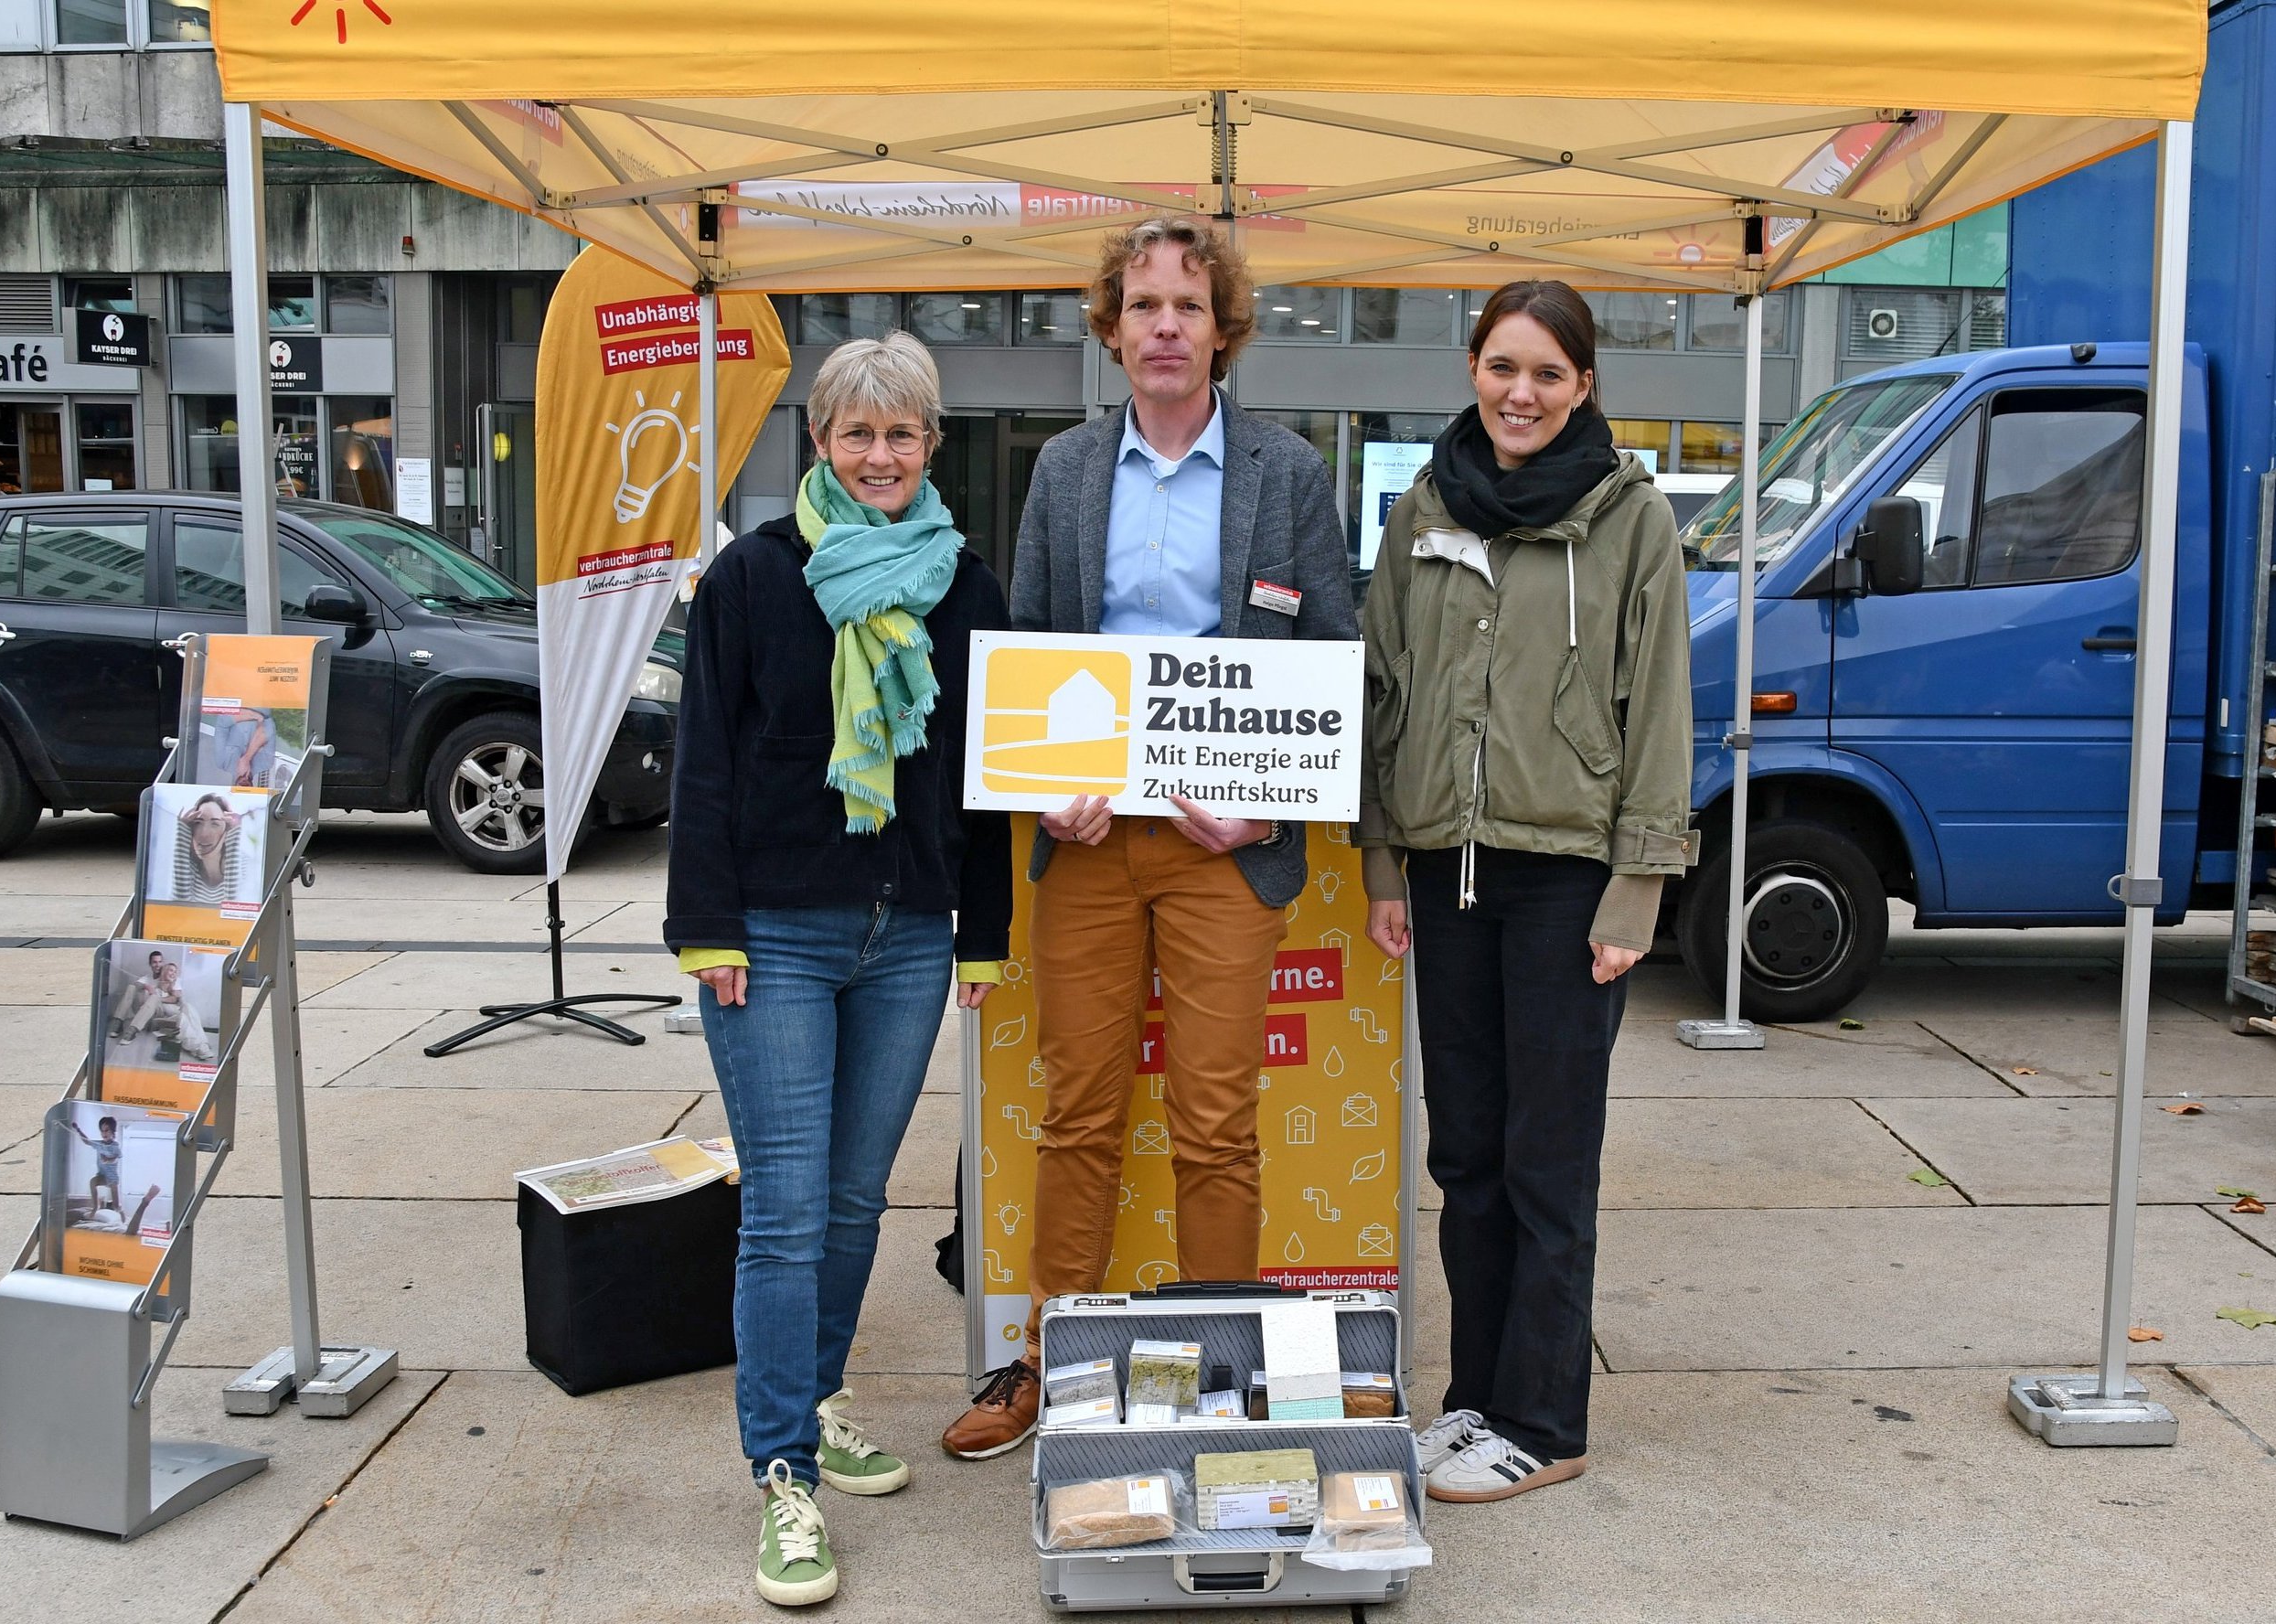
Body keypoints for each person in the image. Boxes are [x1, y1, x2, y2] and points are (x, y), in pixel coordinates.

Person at [940, 214, 1357, 1461]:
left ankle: (1222, 1372)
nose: (1164, 325)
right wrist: (1043, 786)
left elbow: (1333, 657)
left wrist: (1271, 805)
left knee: (1217, 1122)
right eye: (1143, 304)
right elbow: (1032, 651)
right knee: (1077, 1112)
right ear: (1111, 326)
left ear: (1223, 326)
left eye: (1187, 304)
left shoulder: (1284, 472)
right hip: (1091, 841)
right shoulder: (1065, 470)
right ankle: (1040, 1367)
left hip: (1228, 846)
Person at [664, 332, 1012, 1608]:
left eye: (902, 434)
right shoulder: (754, 579)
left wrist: (982, 933)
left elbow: (984, 780)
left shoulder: (963, 585)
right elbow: (704, 762)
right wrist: (706, 929)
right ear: (820, 442)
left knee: (860, 1201)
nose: (880, 455)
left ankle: (812, 1397)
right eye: (857, 434)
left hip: (911, 934)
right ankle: (784, 1471)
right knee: (788, 1210)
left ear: (931, 445)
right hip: (775, 932)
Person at [1357, 280, 1694, 1503]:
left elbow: (1658, 705)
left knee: (1548, 1162)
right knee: (1469, 1157)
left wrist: (1638, 885)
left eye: (1550, 373)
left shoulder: (1630, 518)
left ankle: (1547, 1420)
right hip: (1447, 871)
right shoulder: (1425, 509)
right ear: (1473, 369)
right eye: (1505, 365)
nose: (1523, 392)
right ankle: (1475, 1399)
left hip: (1566, 881)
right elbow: (1386, 687)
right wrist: (1385, 858)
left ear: (1585, 386)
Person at [170, 793, 244, 903]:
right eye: (198, 823)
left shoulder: (246, 868)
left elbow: (234, 908)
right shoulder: (186, 867)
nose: (204, 834)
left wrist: (236, 833)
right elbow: (179, 907)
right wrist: (182, 830)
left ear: (227, 831)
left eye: (215, 824)